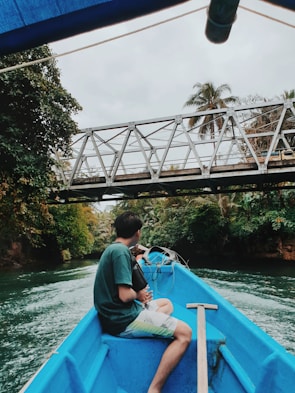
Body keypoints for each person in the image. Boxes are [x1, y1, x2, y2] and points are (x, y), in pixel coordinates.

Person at [93, 211, 192, 393]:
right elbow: (124, 295)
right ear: (137, 232)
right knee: (185, 333)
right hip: (123, 320)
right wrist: (138, 295)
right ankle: (154, 389)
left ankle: (154, 324)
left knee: (166, 304)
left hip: (120, 314)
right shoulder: (121, 253)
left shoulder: (114, 249)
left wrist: (138, 295)